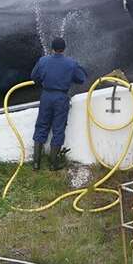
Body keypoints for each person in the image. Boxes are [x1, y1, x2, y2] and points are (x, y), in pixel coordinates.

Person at [30, 37, 87, 171]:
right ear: (64, 48)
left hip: (46, 96)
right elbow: (81, 78)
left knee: (41, 126)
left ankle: (36, 163)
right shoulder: (71, 63)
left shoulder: (43, 60)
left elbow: (34, 77)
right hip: (61, 98)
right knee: (58, 129)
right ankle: (53, 164)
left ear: (52, 48)